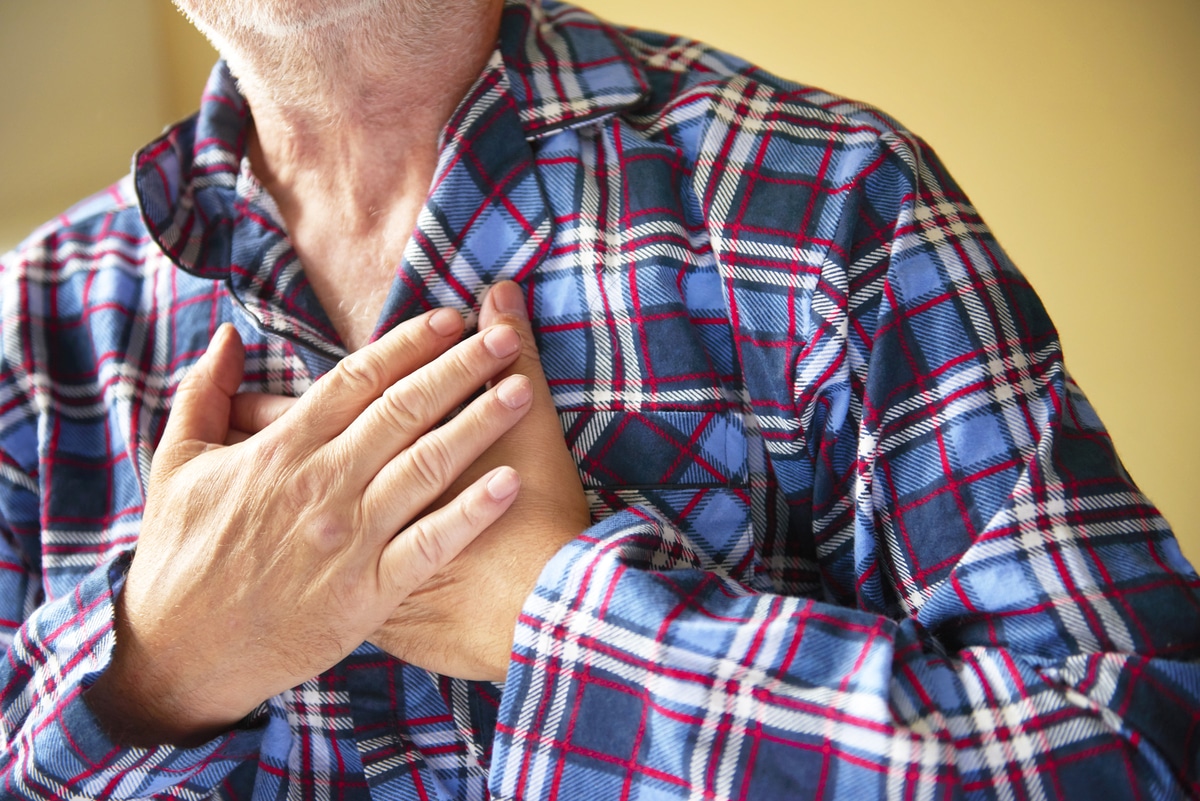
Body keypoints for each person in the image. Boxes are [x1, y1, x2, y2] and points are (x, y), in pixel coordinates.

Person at [0, 0, 1197, 797]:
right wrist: (155, 671)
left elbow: (1143, 752)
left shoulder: (838, 201)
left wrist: (560, 621)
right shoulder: (33, 315)